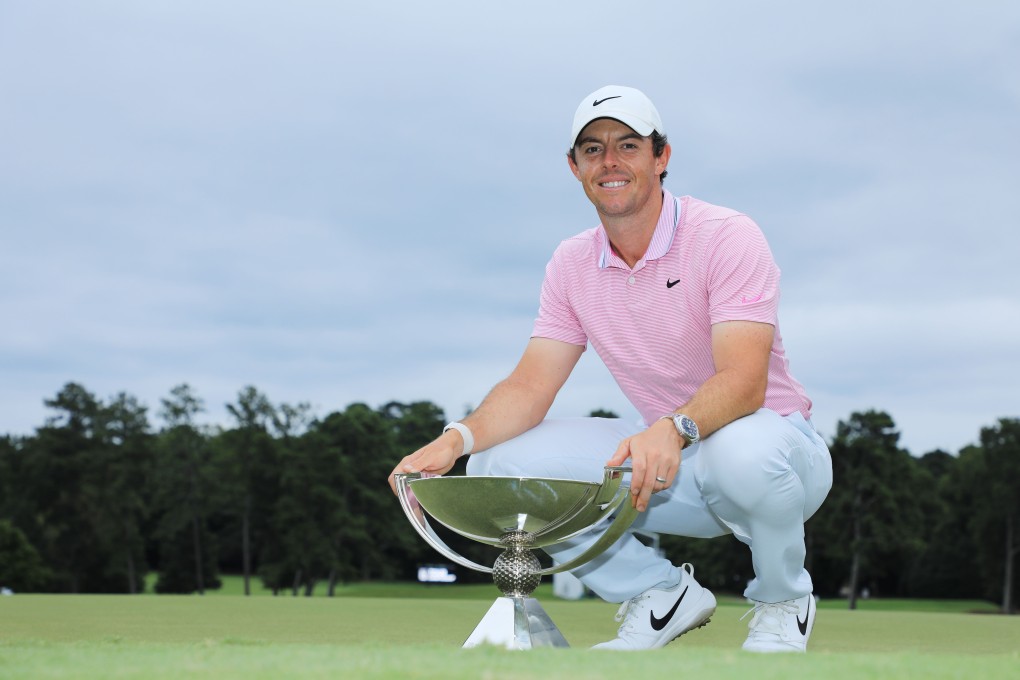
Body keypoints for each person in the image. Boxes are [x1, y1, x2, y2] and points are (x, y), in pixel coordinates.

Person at [388, 85, 833, 653]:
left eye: (628, 145)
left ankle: (784, 600)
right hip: (671, 470)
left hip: (778, 458)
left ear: (661, 156)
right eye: (593, 150)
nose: (611, 162)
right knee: (500, 459)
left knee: (741, 450)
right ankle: (657, 594)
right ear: (574, 167)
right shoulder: (572, 263)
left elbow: (745, 383)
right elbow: (530, 385)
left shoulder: (726, 235)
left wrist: (671, 430)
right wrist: (456, 439)